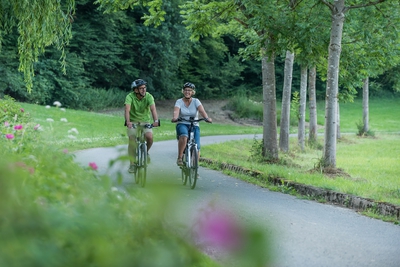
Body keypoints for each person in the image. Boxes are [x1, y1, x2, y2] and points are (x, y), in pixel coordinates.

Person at [171, 82, 212, 166]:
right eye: (185, 90)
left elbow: (201, 111)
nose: (187, 92)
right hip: (182, 123)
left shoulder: (196, 101)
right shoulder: (179, 101)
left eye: (189, 90)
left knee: (197, 146)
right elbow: (176, 111)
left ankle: (195, 168)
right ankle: (179, 157)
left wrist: (206, 118)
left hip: (194, 124)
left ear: (192, 92)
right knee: (184, 136)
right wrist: (175, 117)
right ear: (183, 91)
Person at [125, 79, 159, 173]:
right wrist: (128, 121)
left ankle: (146, 151)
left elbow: (153, 109)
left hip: (145, 121)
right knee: (132, 139)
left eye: (144, 88)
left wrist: (156, 120)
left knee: (150, 137)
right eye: (141, 88)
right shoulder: (130, 97)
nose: (144, 90)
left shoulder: (149, 96)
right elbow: (127, 110)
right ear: (136, 90)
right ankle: (132, 164)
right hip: (133, 122)